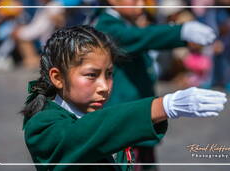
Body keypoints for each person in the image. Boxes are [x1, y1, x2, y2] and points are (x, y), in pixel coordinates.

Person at [22, 26, 227, 171]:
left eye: (109, 74)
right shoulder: (42, 125)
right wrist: (162, 106)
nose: (104, 87)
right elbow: (82, 134)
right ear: (57, 77)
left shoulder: (101, 113)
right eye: (91, 75)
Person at [93, 0, 217, 168]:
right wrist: (180, 32)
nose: (140, 3)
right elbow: (136, 38)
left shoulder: (127, 23)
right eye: (134, 0)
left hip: (139, 118)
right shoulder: (106, 25)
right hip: (125, 120)